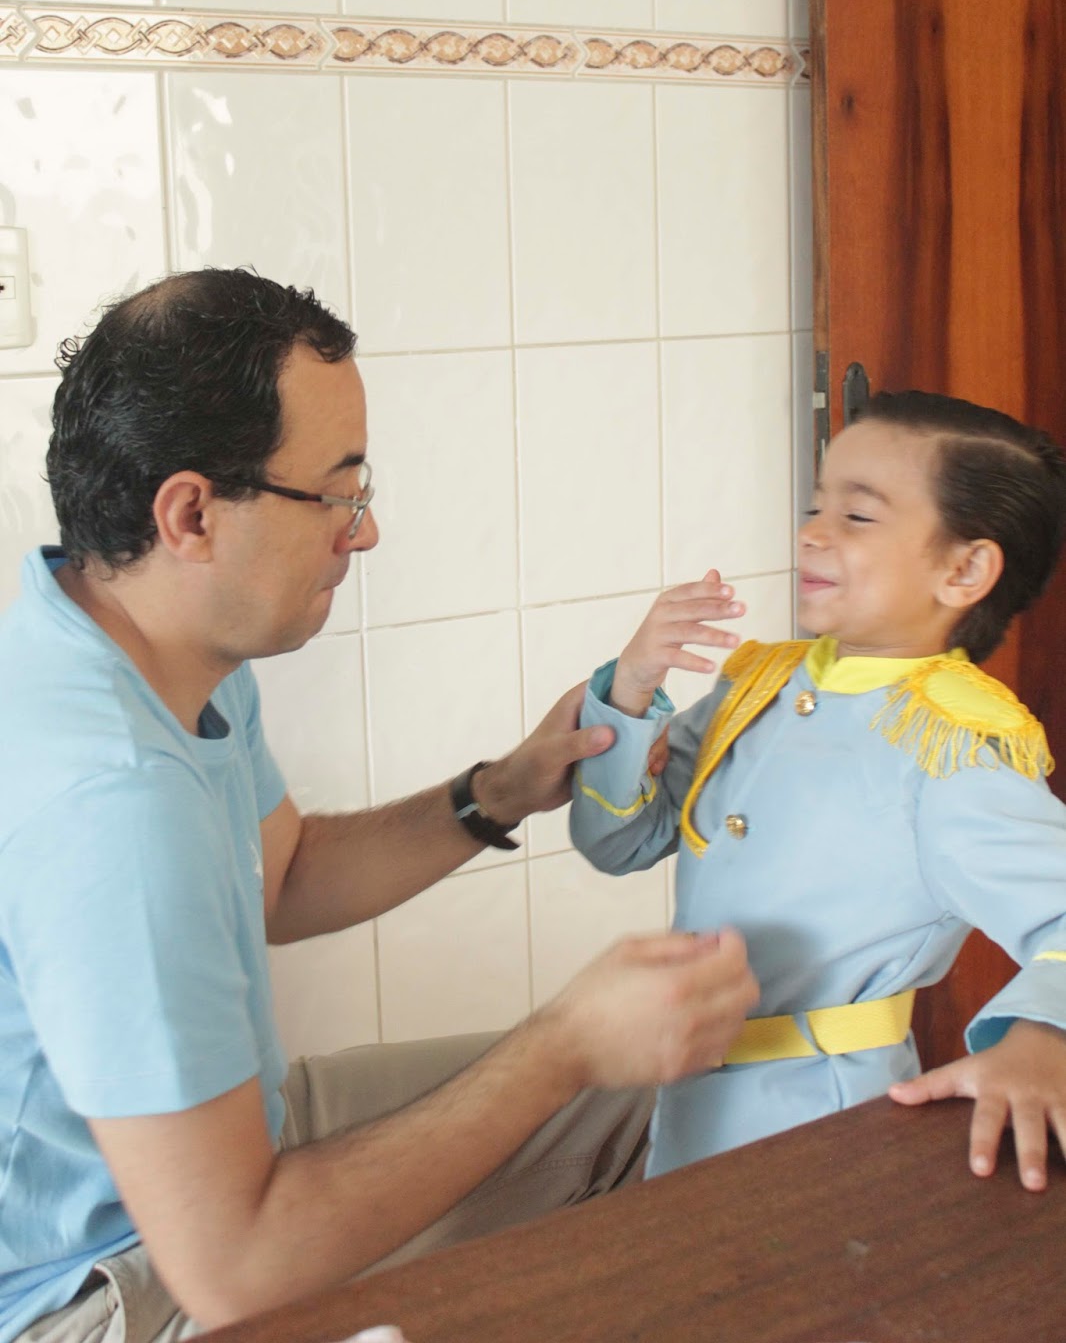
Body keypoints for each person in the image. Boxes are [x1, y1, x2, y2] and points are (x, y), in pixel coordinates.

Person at [0, 268, 761, 1343]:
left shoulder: (138, 642)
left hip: (200, 1172)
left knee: (651, 1105)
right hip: (94, 1289)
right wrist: (565, 1043)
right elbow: (234, 1270)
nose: (362, 535)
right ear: (191, 514)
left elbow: (283, 876)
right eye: (337, 495)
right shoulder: (110, 802)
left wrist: (494, 794)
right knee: (583, 1101)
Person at [570, 390, 1066, 1187]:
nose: (812, 532)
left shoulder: (948, 749)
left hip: (826, 1130)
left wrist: (1042, 1040)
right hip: (691, 1105)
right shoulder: (758, 687)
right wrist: (630, 689)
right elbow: (617, 841)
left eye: (858, 516)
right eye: (815, 505)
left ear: (964, 570)